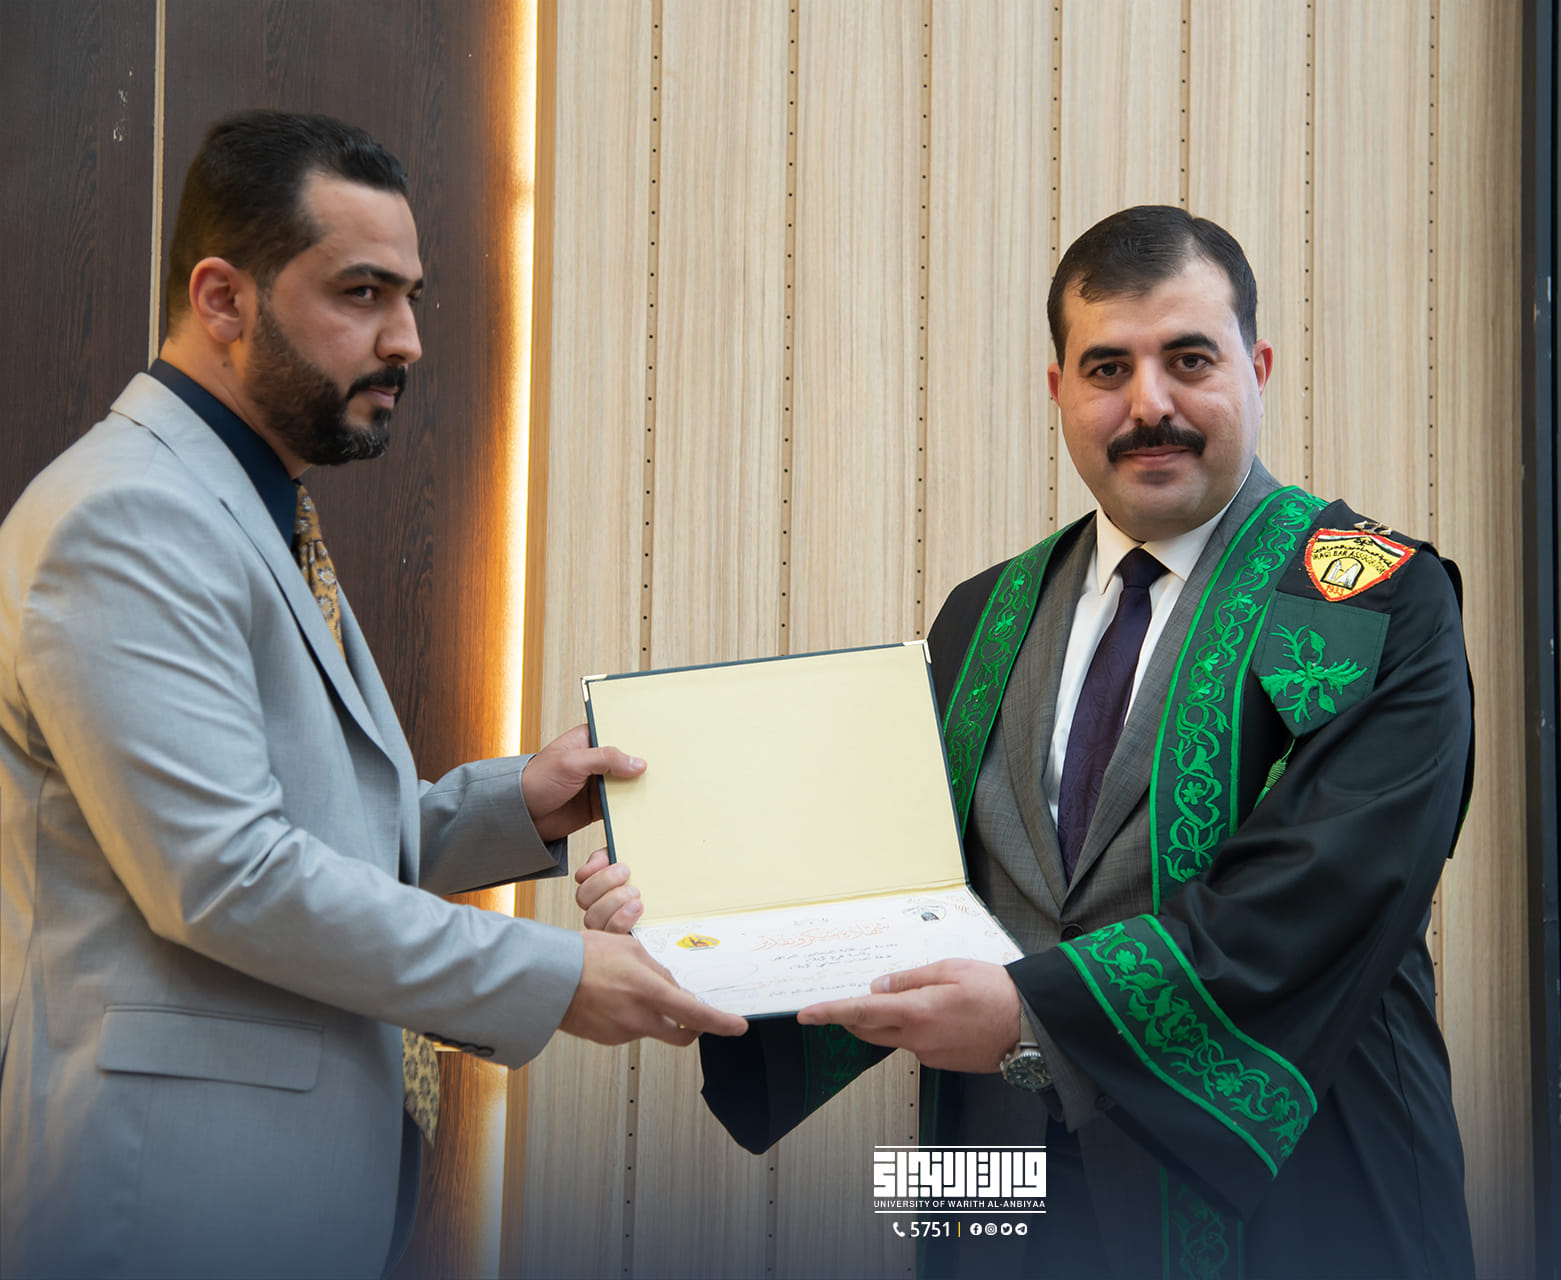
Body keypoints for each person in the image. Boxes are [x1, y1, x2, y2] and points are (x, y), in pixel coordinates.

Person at [582, 205, 1477, 1278]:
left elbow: (1324, 891)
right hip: (1001, 1189)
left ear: (1259, 367)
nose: (1149, 404)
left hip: (1298, 1195)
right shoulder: (983, 614)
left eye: (1190, 359)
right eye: (1108, 368)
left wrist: (1032, 1016)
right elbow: (886, 878)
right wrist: (692, 923)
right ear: (1058, 390)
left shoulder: (1372, 597)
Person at [0, 110, 746, 1280]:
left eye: (410, 296)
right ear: (222, 299)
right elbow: (227, 874)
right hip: (164, 1200)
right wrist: (552, 976)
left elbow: (316, 835)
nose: (406, 339)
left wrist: (520, 804)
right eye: (361, 293)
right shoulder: (129, 515)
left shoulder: (250, 501)